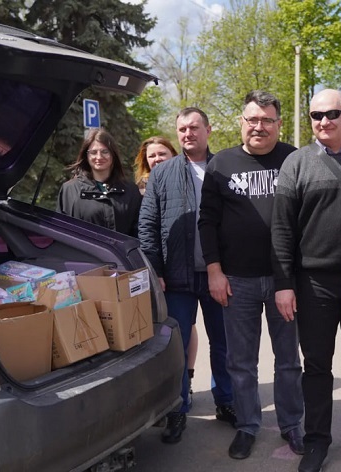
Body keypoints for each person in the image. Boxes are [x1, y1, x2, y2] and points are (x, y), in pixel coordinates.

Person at [272, 88, 341, 472]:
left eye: (332, 113)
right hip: (313, 283)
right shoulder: (296, 163)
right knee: (317, 366)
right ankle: (317, 440)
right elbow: (282, 228)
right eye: (316, 115)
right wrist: (284, 283)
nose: (324, 121)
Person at [198, 90, 305, 460]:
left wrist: (294, 278)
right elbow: (207, 221)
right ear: (241, 122)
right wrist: (214, 271)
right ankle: (247, 425)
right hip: (236, 281)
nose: (259, 126)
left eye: (267, 120)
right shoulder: (221, 164)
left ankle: (292, 424)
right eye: (252, 119)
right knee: (241, 362)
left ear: (279, 123)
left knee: (288, 359)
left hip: (283, 281)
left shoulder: (294, 159)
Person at [138, 107, 235, 444]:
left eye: (194, 127)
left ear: (208, 129)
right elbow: (148, 225)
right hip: (176, 278)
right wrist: (155, 270)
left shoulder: (225, 168)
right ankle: (177, 409)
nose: (188, 134)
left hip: (218, 276)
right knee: (176, 348)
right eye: (182, 129)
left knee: (224, 343)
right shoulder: (163, 173)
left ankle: (226, 401)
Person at [133, 135, 200, 399]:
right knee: (167, 335)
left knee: (188, 328)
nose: (157, 159)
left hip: (189, 270)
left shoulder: (186, 179)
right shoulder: (137, 189)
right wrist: (155, 270)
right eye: (151, 155)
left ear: (173, 154)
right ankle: (174, 396)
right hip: (160, 272)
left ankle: (189, 379)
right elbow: (145, 228)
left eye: (162, 153)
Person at [57, 128, 142, 236]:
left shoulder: (131, 190)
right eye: (93, 152)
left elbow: (139, 231)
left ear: (113, 155)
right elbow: (61, 231)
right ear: (86, 156)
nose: (99, 157)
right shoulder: (69, 189)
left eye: (105, 152)